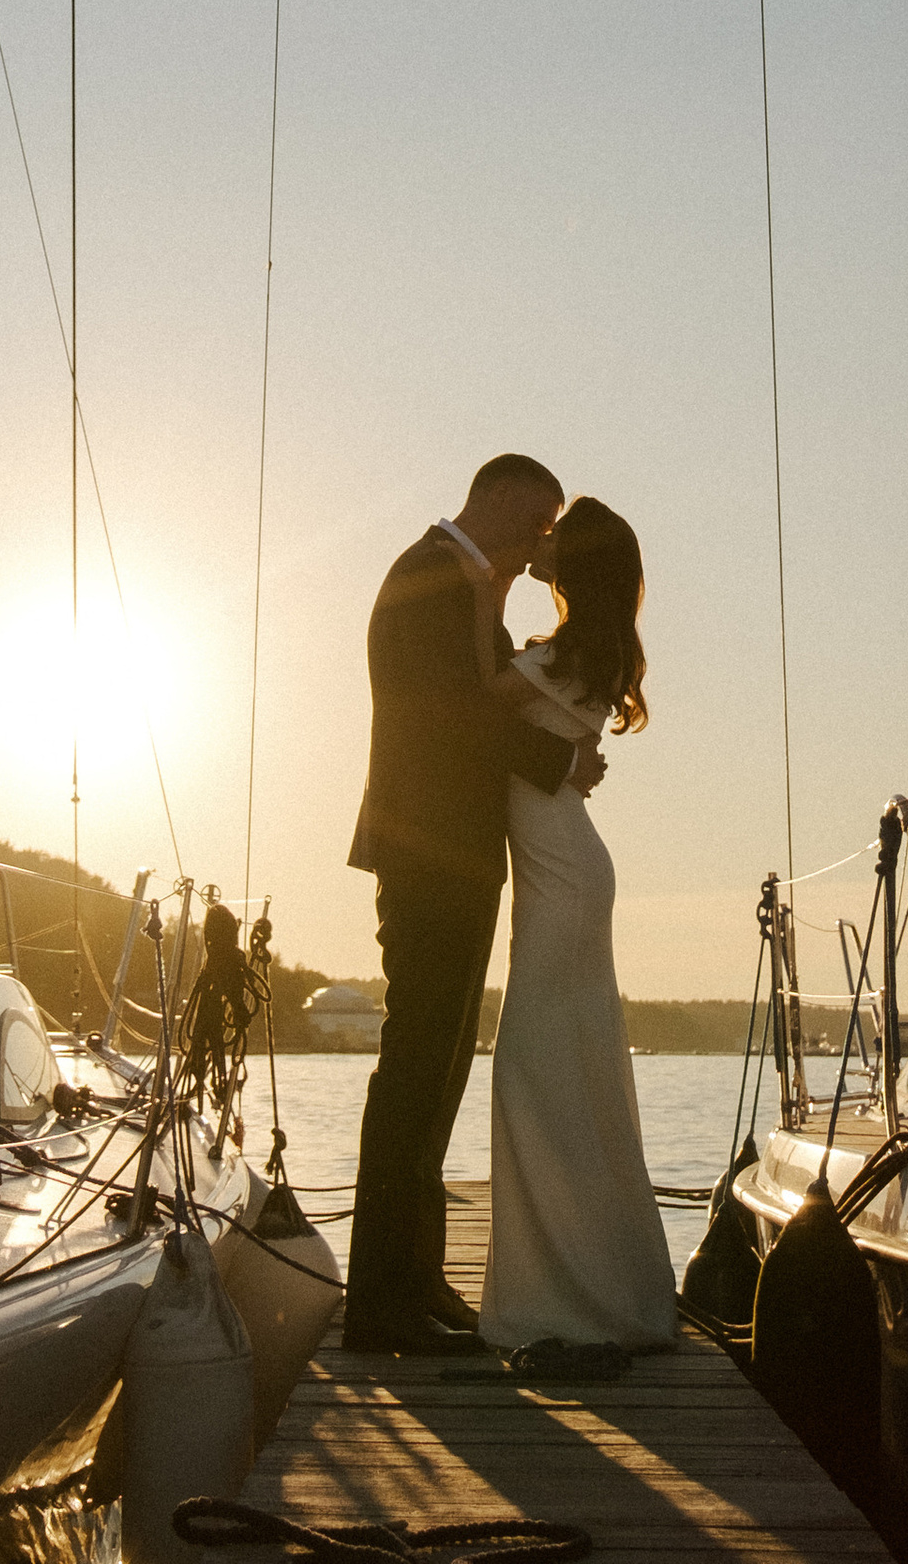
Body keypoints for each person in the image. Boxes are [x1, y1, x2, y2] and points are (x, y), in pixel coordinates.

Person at [344, 455, 604, 1354]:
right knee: (416, 1065)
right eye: (537, 521)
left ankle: (420, 1282)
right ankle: (379, 1303)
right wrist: (559, 763)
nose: (542, 539)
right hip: (426, 850)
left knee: (442, 1067)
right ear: (495, 498)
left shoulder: (467, 586)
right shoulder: (426, 576)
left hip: (456, 853)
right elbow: (450, 712)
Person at [480, 496, 678, 1351]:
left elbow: (460, 708)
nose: (542, 537)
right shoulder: (580, 654)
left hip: (562, 878)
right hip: (569, 868)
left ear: (579, 563)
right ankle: (598, 1281)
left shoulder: (554, 658)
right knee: (571, 1074)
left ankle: (566, 1294)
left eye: (557, 536)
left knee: (537, 1071)